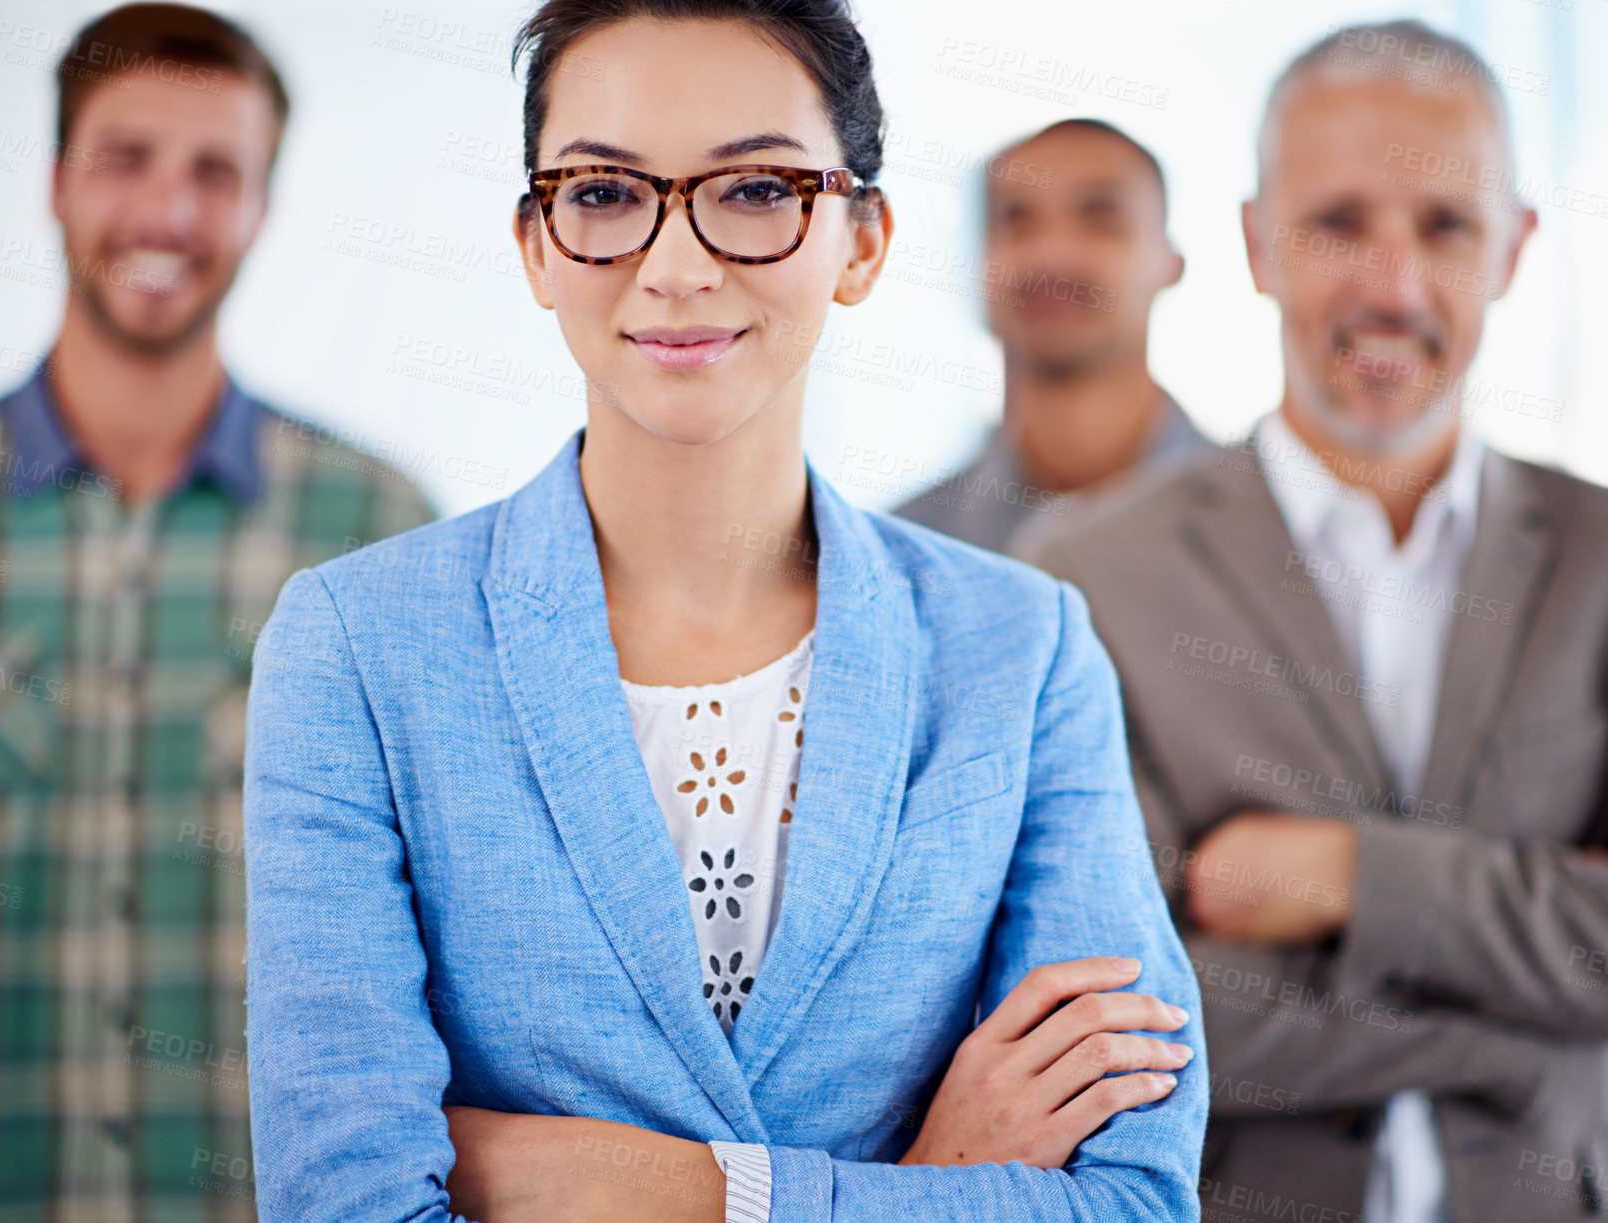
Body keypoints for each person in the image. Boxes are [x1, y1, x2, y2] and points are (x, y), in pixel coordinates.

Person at [242, 2, 1207, 1220]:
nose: (678, 262)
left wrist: (707, 1191)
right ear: (536, 244)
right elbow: (350, 1207)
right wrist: (914, 1191)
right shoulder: (357, 647)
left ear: (861, 240)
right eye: (603, 193)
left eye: (755, 189)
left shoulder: (1022, 646)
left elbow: (1131, 1198)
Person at [1023, 20, 1608, 1223]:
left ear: (1515, 247)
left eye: (1444, 227)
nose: (1390, 286)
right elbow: (1121, 1018)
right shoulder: (1086, 572)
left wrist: (1355, 878)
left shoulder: (1600, 558)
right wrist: (1519, 1025)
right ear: (1256, 243)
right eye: (1339, 221)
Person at [0, 5, 436, 1219]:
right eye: (127, 159)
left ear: (261, 206)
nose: (168, 213)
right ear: (59, 182)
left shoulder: (378, 534)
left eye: (215, 172)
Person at [894, 118, 1208, 556]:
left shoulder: (1273, 529)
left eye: (1100, 218)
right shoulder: (905, 552)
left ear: (1169, 262)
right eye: (1016, 221)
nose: (1052, 255)